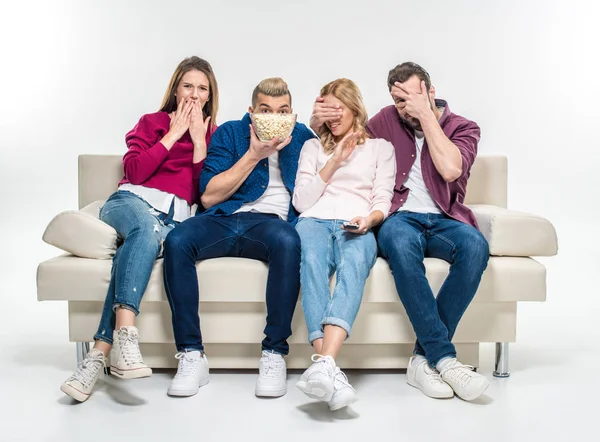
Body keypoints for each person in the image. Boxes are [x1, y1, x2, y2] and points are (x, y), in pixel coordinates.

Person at [310, 62, 490, 401]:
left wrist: (426, 117)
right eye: (397, 100)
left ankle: (424, 358)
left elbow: (451, 169)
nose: (403, 107)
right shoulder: (385, 120)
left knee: (476, 247)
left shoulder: (465, 127)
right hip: (399, 218)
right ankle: (445, 358)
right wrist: (316, 122)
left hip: (445, 218)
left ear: (430, 92)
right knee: (401, 247)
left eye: (410, 97)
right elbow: (343, 138)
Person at [60, 56, 219, 402]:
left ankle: (97, 354)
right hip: (130, 203)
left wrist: (199, 143)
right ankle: (127, 334)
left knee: (133, 250)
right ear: (176, 90)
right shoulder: (152, 122)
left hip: (173, 217)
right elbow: (134, 172)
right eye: (188, 86)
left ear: (210, 96)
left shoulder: (213, 135)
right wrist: (173, 134)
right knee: (145, 230)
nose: (194, 94)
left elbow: (201, 195)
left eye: (202, 89)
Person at [162, 77, 315, 398]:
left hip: (272, 225)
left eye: (283, 111)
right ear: (251, 112)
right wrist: (254, 155)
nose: (274, 117)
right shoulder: (231, 132)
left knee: (290, 241)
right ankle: (191, 354)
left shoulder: (302, 137)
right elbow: (208, 197)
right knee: (177, 240)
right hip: (224, 219)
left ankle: (274, 353)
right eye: (265, 110)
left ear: (292, 114)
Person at [293, 79, 396, 411]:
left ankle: (323, 365)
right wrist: (334, 160)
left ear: (355, 108)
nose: (334, 117)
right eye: (328, 109)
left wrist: (370, 219)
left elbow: (383, 198)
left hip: (358, 222)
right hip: (314, 221)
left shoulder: (381, 149)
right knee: (310, 263)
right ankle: (329, 368)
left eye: (340, 109)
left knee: (355, 264)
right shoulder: (313, 148)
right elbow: (301, 202)